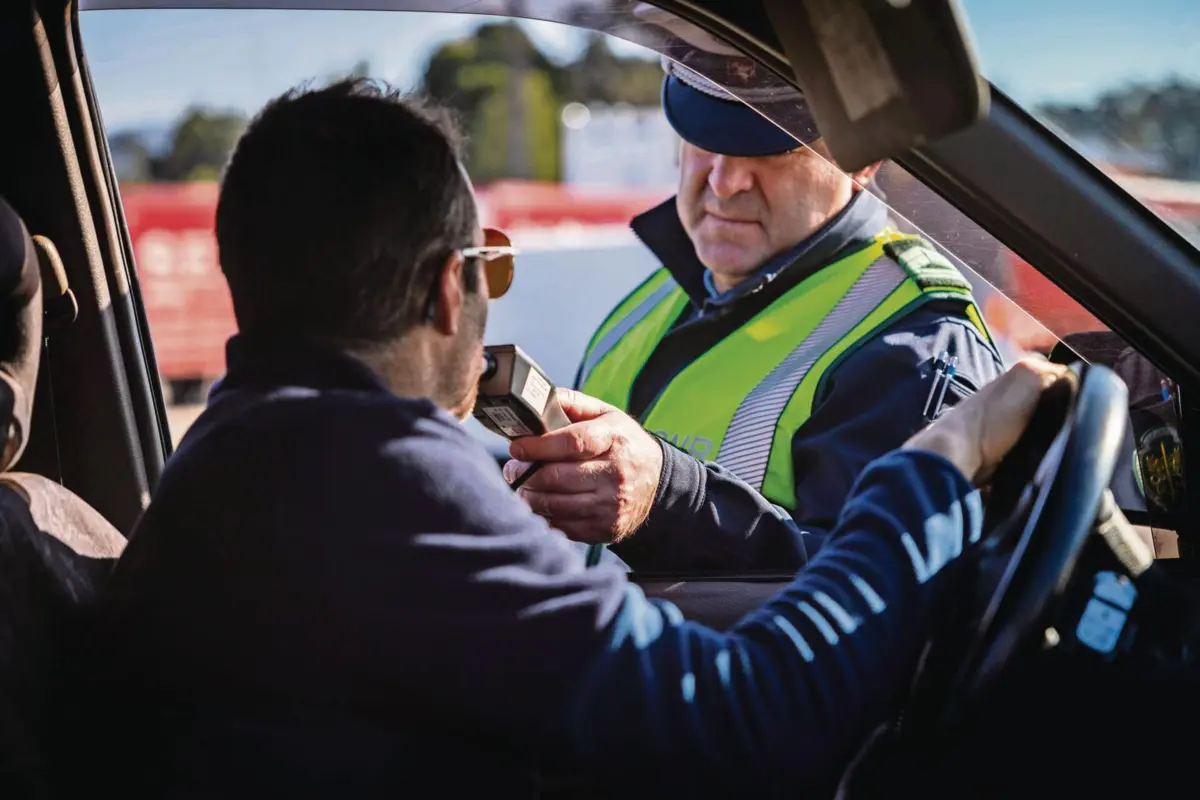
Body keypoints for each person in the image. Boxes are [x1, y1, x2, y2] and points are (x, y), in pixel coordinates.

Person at [79, 79, 1068, 798]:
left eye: (764, 153)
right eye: (490, 267)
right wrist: (937, 464)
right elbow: (752, 726)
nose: (722, 185)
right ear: (448, 287)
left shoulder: (234, 450)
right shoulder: (376, 477)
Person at [504, 28, 1005, 573]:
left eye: (770, 146)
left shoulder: (915, 344)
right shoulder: (656, 297)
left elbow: (883, 600)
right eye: (704, 136)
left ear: (864, 159)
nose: (724, 180)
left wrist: (667, 500)